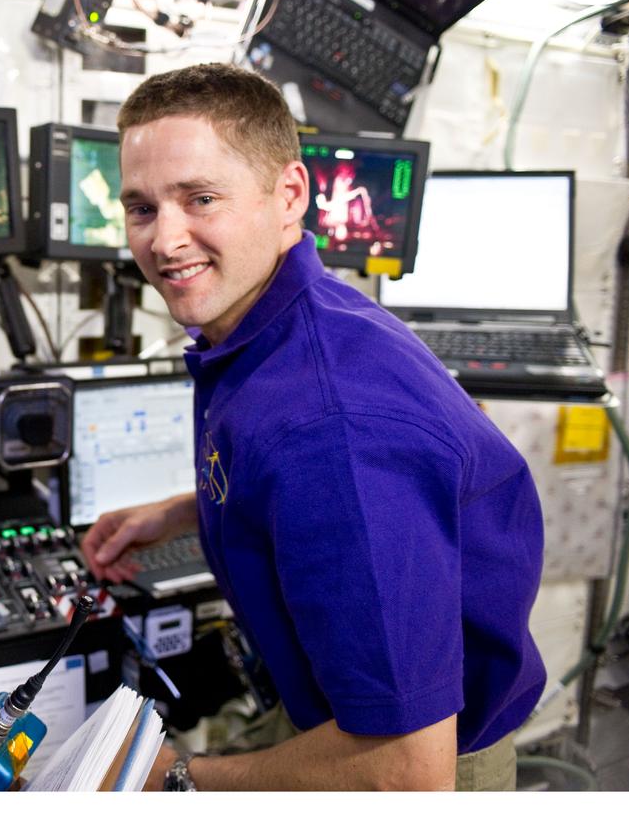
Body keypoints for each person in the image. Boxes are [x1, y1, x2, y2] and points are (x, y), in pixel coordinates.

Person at [81, 64, 545, 791]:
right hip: (335, 715)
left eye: (201, 199)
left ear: (290, 195)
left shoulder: (334, 429)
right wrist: (182, 511)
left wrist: (173, 779)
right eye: (142, 208)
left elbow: (406, 774)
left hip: (406, 763)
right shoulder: (273, 328)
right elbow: (293, 481)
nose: (165, 241)